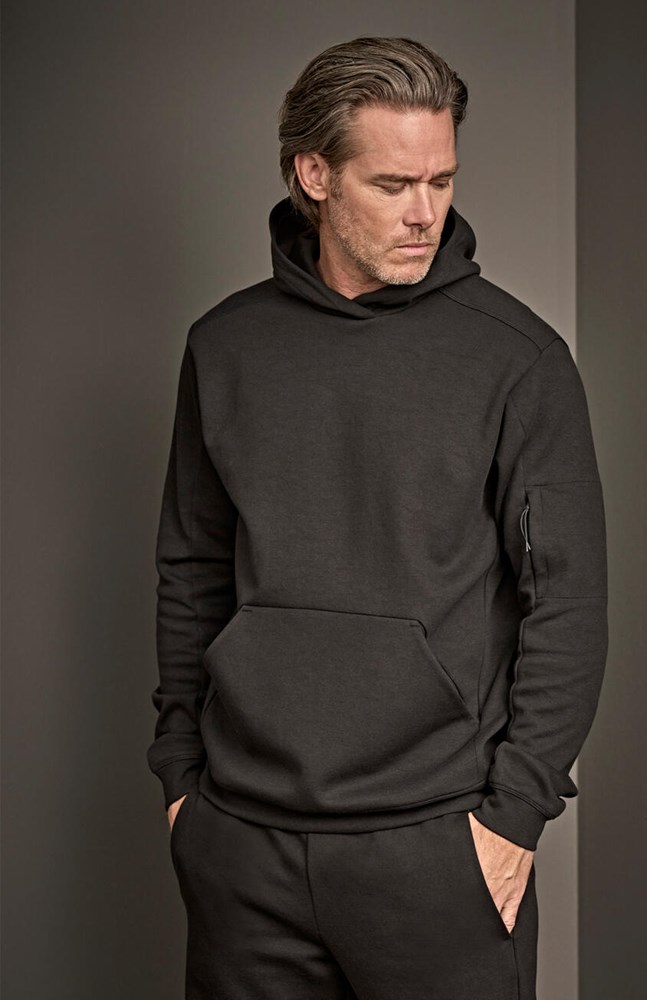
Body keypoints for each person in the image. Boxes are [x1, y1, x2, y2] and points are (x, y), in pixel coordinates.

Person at [147, 35, 607, 1000]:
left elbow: (567, 604)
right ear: (313, 175)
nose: (424, 213)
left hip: (436, 848)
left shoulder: (516, 359)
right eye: (392, 183)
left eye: (441, 180)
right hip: (242, 844)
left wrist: (514, 819)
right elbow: (192, 567)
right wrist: (182, 778)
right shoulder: (226, 346)